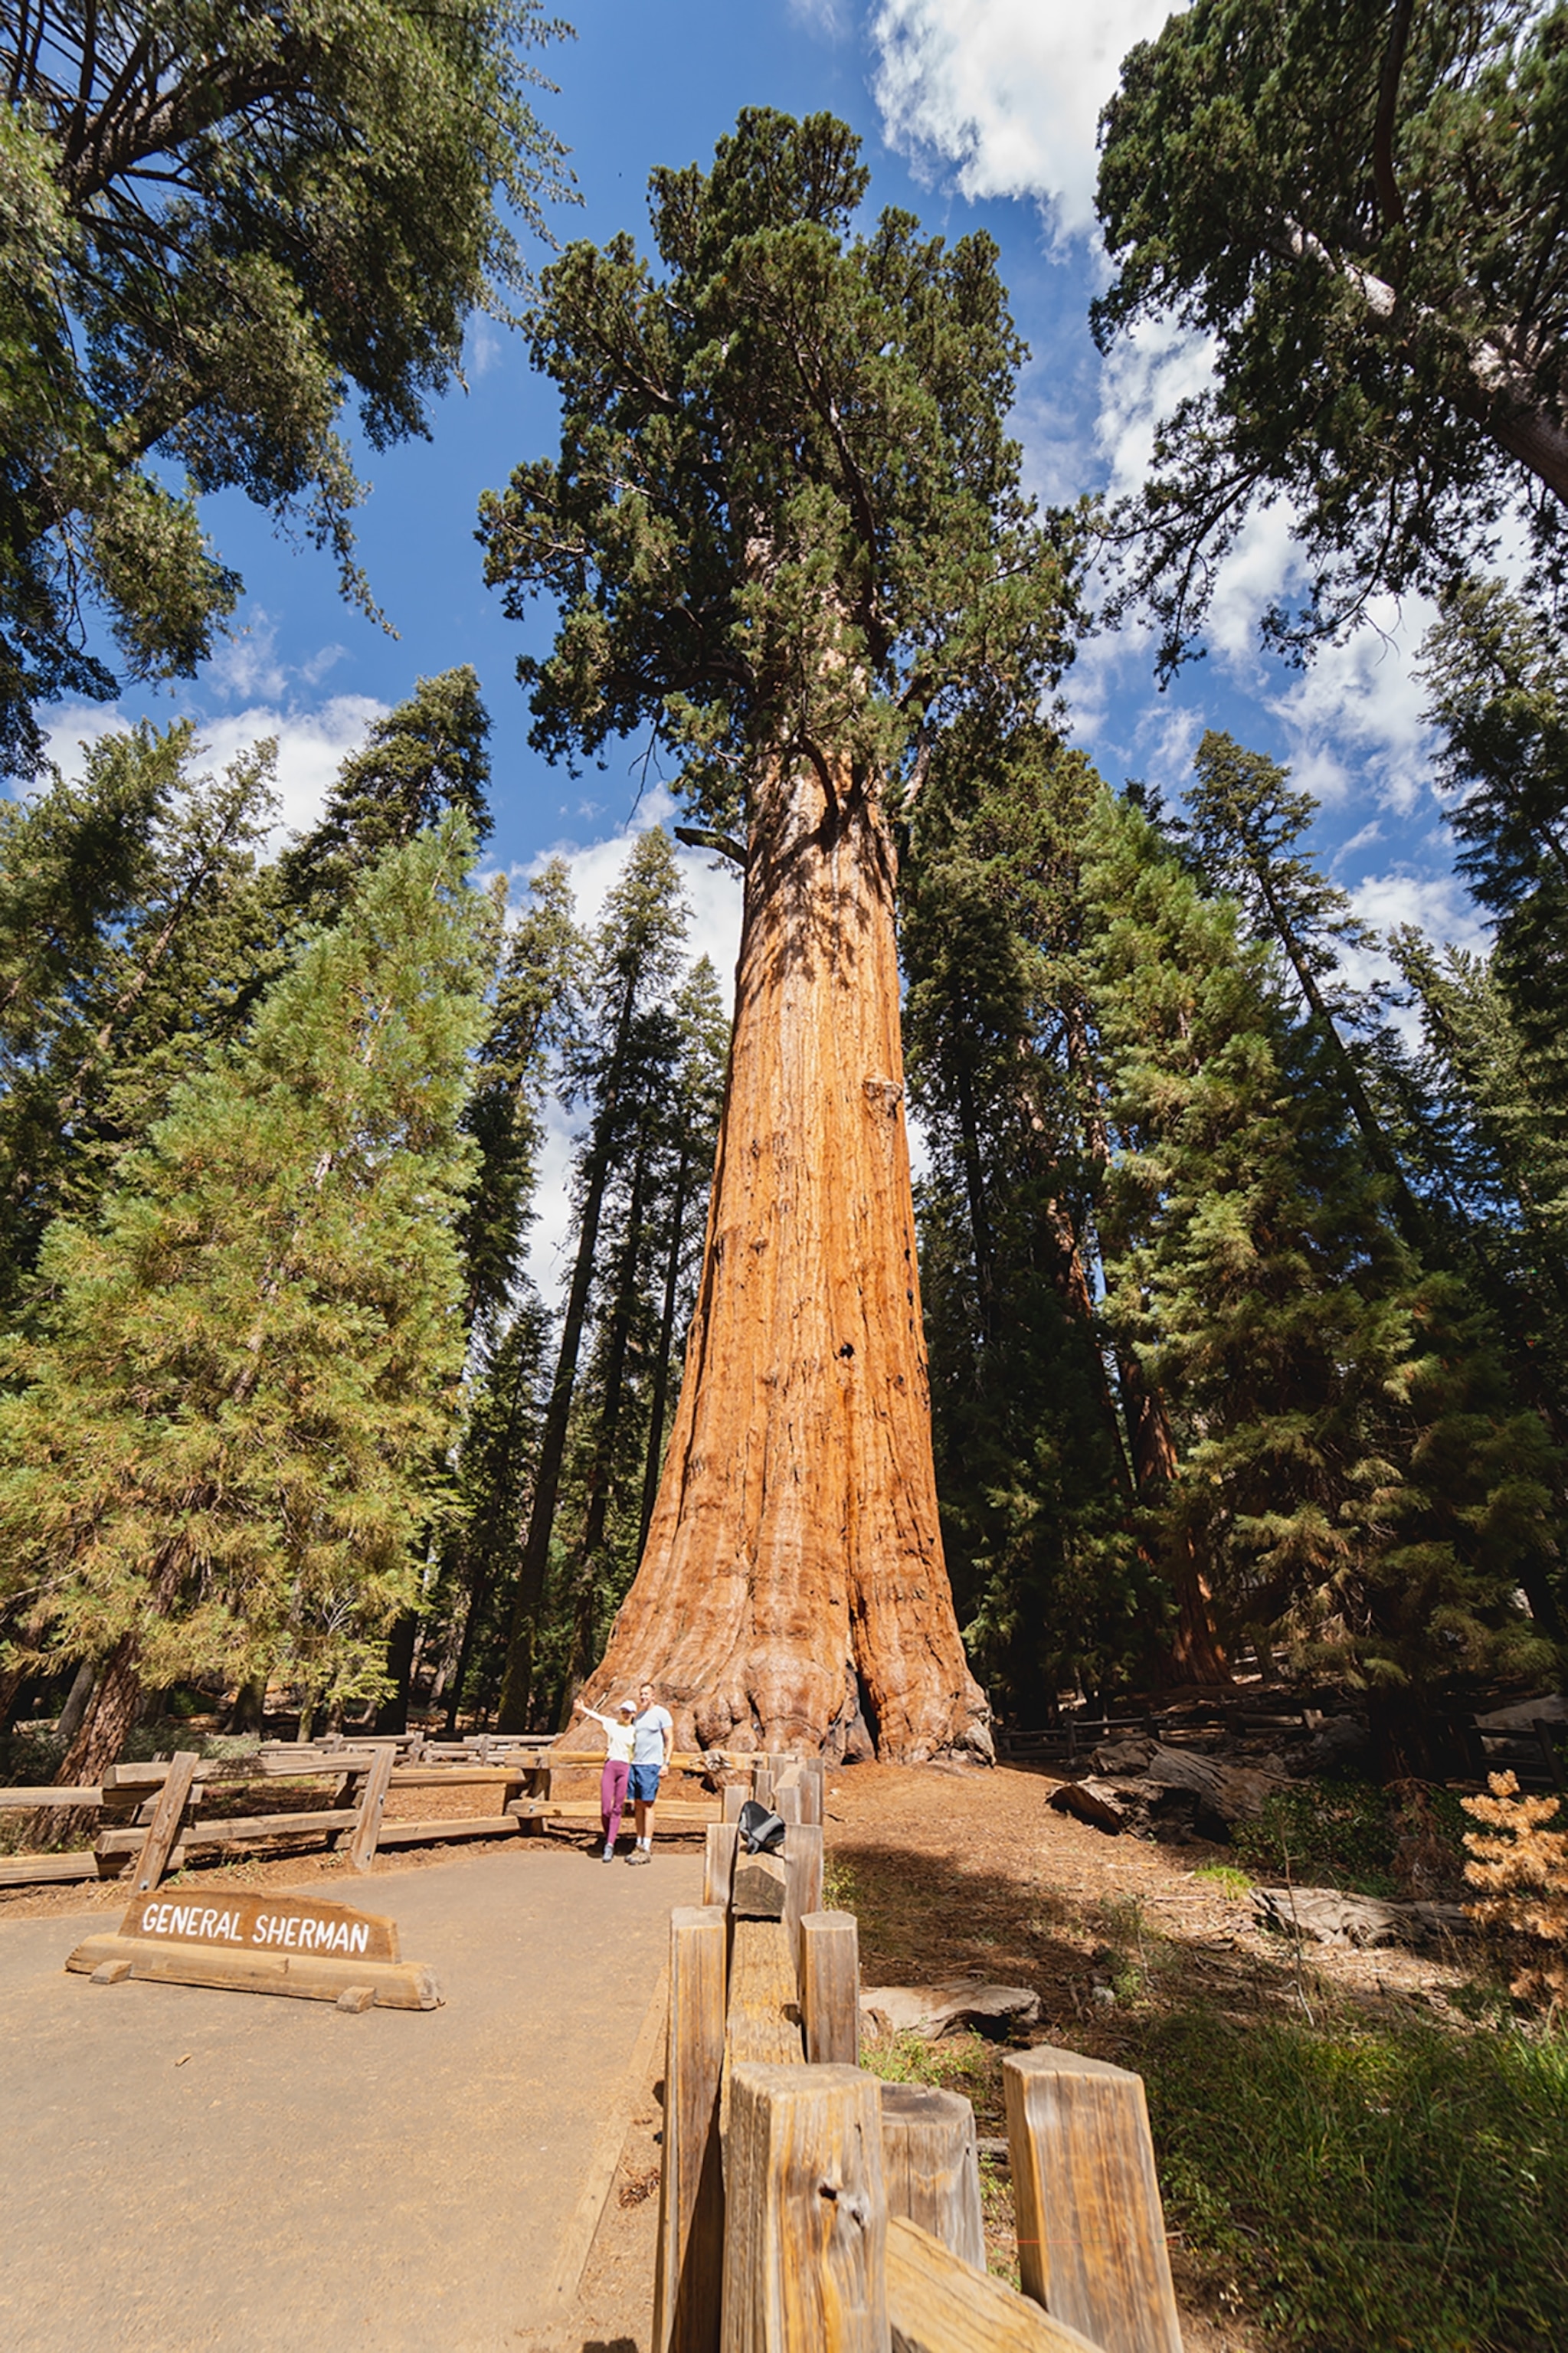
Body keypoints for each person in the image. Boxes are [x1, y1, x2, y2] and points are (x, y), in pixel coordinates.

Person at [577, 1697, 637, 1860]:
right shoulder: (612, 1725)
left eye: (628, 1712)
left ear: (633, 1714)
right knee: (605, 1808)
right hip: (611, 1766)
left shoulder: (635, 1731)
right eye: (623, 1712)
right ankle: (608, 1835)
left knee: (618, 1807)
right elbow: (598, 1718)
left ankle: (610, 1844)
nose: (625, 1715)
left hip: (625, 1768)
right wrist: (583, 1709)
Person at [626, 1679, 673, 1864]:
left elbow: (669, 1739)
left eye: (647, 1694)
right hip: (635, 1764)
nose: (643, 1697)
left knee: (648, 1804)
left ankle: (646, 1845)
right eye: (641, 1694)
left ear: (653, 1696)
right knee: (637, 1804)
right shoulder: (638, 1717)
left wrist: (666, 1763)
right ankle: (638, 1842)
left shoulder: (662, 1714)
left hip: (651, 1765)